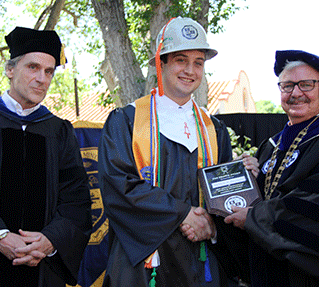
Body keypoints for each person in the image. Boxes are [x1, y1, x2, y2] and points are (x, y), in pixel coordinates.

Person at [98, 16, 250, 286]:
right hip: (145, 265)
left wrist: (214, 227)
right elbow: (118, 188)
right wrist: (183, 213)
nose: (190, 70)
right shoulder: (128, 121)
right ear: (162, 63)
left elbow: (225, 197)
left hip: (202, 262)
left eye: (198, 63)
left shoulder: (214, 129)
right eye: (180, 60)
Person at [0, 27, 92, 287]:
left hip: (41, 267)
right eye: (33, 67)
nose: (42, 79)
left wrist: (50, 241)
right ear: (10, 70)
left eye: (49, 71)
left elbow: (76, 198)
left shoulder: (59, 131)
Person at [222, 50, 319, 286]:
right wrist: (252, 179)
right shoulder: (272, 145)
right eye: (287, 86)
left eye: (306, 85)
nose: (295, 93)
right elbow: (269, 196)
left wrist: (255, 217)